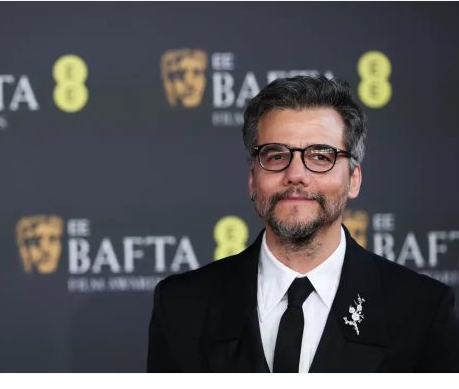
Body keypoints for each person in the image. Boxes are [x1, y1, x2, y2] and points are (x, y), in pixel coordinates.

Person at [147, 75, 459, 372]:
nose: (296, 174)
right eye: (276, 156)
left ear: (353, 179)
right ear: (252, 180)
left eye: (321, 157)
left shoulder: (422, 310)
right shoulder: (181, 307)